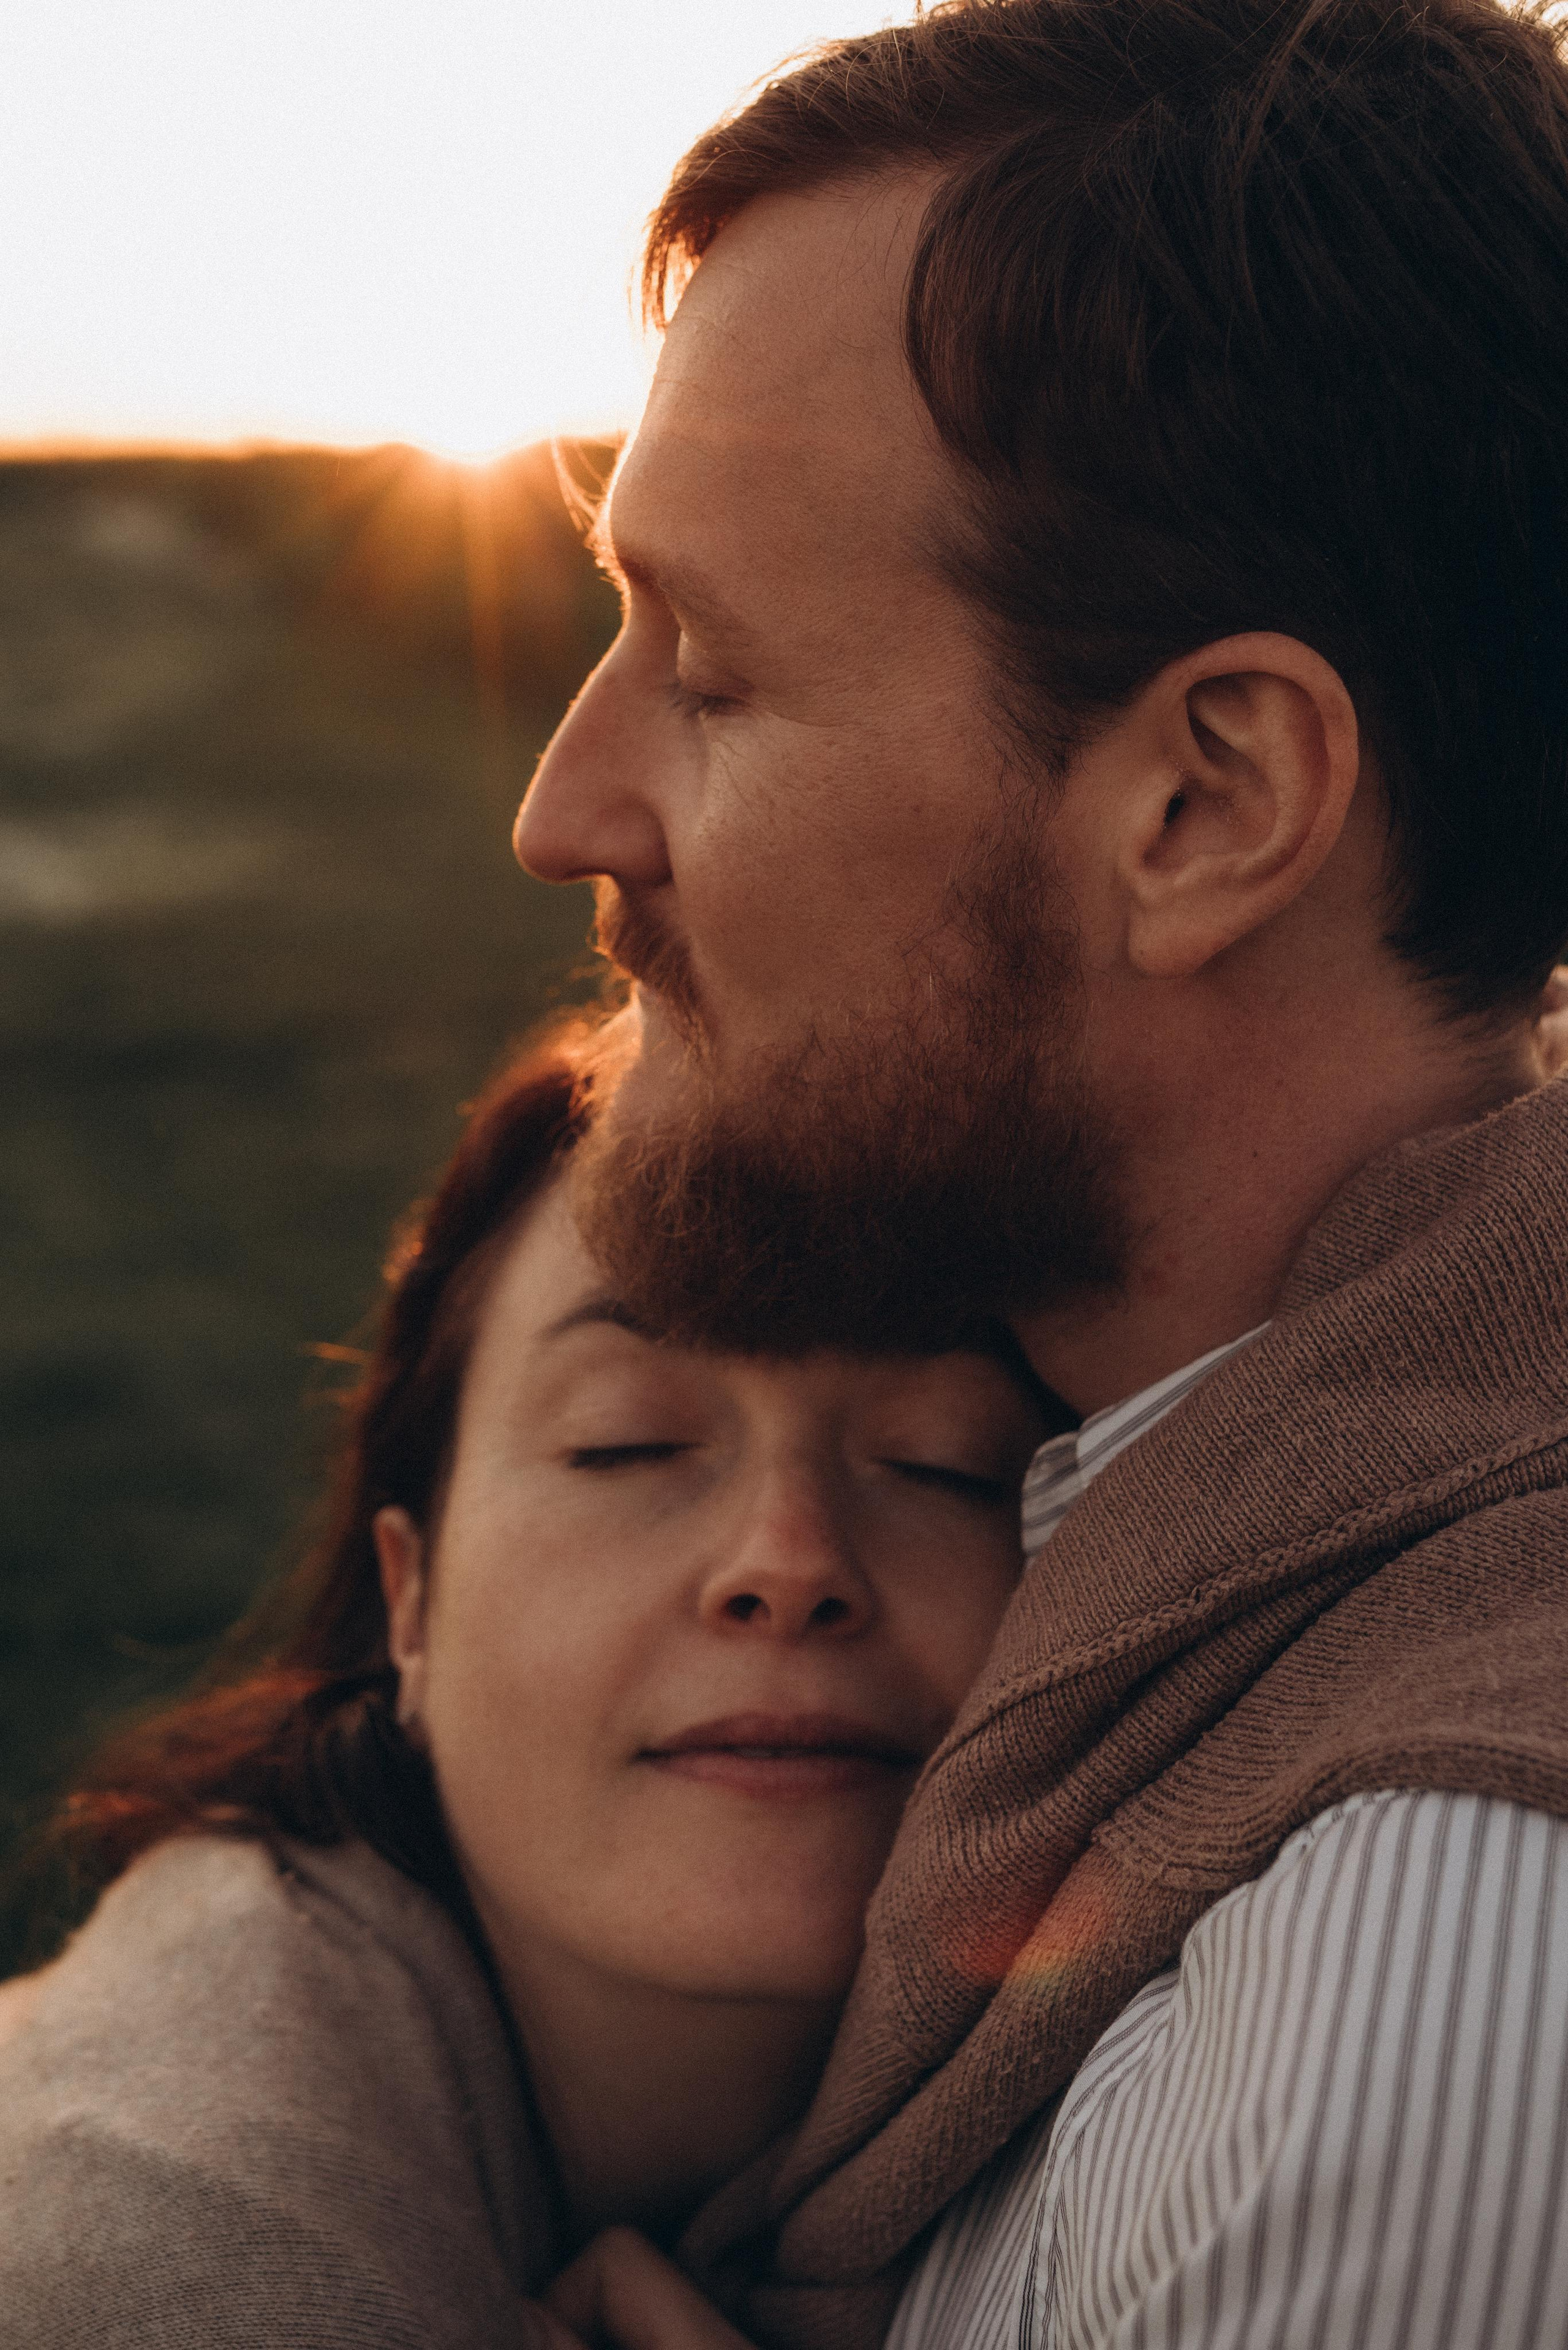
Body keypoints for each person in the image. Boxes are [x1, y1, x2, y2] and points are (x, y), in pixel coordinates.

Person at [513, 0, 1568, 2341]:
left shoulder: (1409, 1981)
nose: (563, 810)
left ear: (1204, 805)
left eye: (714, 675)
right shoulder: (1117, 1553)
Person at [0, 1032, 1047, 2347]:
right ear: (410, 1598)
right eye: (625, 1442)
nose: (788, 1557)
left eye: (943, 1458)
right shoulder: (156, 2202)